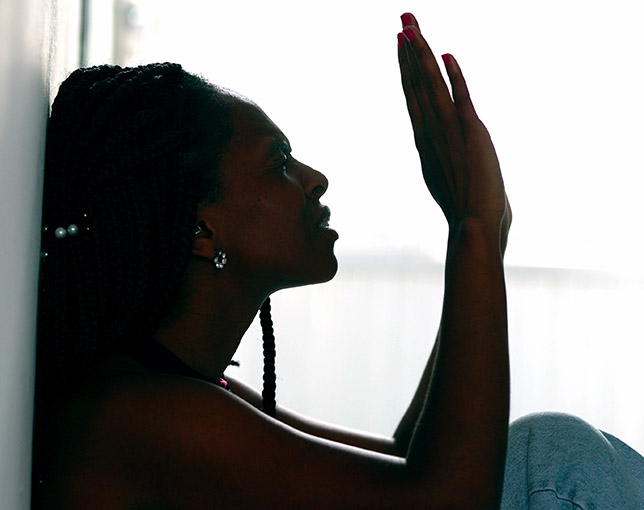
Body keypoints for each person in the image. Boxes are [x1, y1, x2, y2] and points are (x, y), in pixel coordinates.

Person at [32, 12, 644, 509]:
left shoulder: (181, 394)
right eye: (279, 163)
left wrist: (490, 233)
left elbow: (408, 461)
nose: (315, 179)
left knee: (550, 454)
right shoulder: (140, 419)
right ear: (199, 227)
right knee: (556, 461)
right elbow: (448, 500)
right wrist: (472, 227)